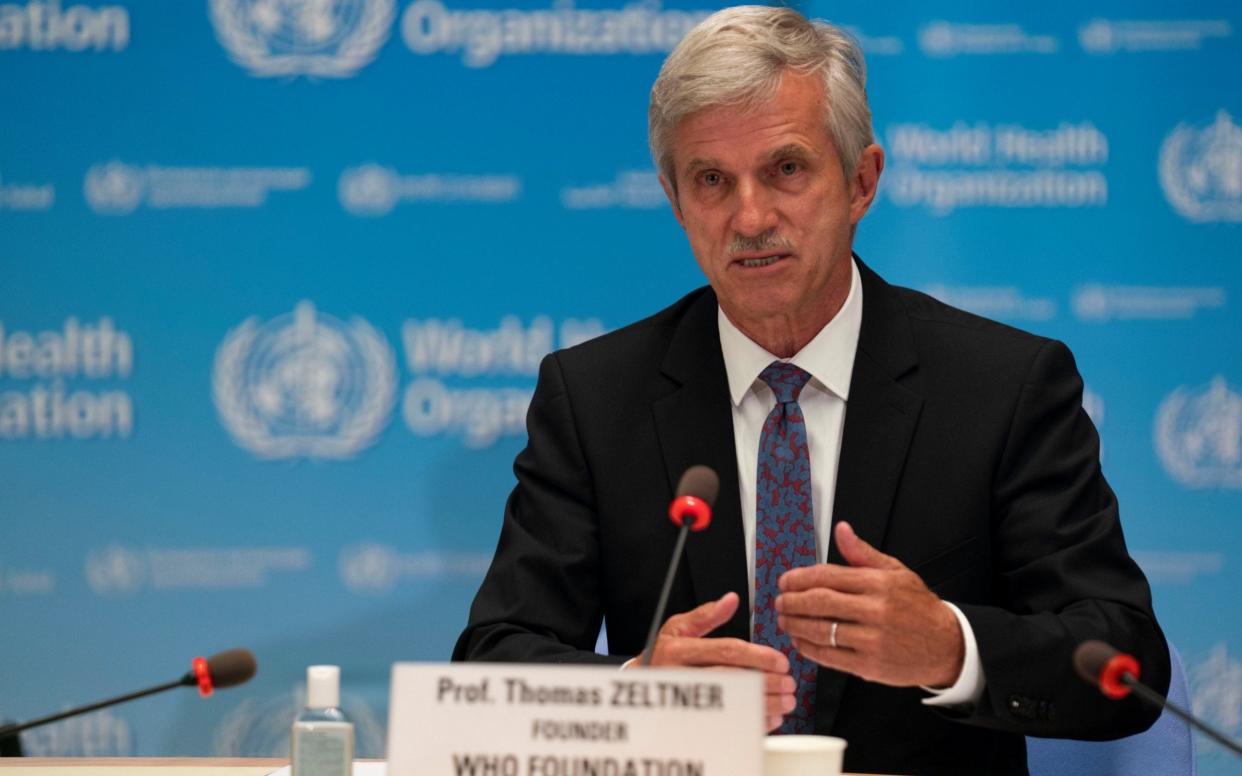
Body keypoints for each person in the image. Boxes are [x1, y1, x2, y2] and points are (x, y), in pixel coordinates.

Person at [453, 6, 1169, 774]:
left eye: (786, 169)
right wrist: (639, 690)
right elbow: (493, 664)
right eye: (711, 181)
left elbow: (1126, 663)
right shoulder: (594, 398)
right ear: (675, 201)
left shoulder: (1002, 387)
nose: (750, 217)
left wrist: (950, 647)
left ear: (861, 181)